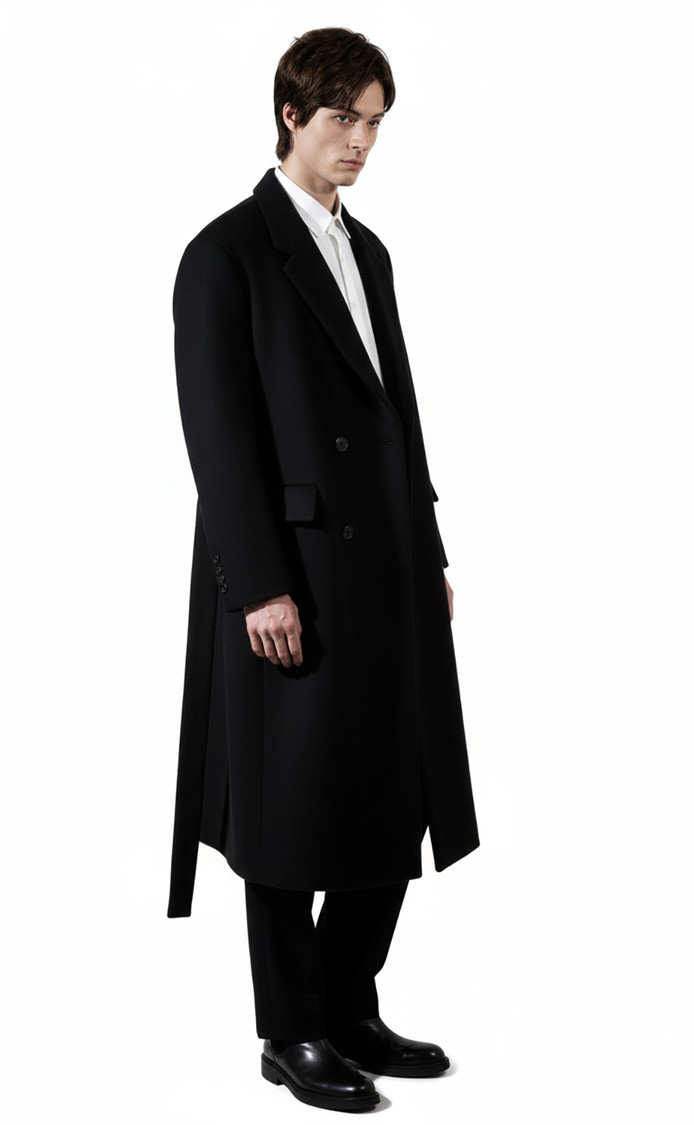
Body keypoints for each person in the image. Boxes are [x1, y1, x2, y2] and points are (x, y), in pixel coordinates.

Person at [167, 27, 480, 1113]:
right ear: (291, 114)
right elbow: (218, 438)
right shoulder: (225, 255)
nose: (362, 140)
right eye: (344, 116)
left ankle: (350, 1005)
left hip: (386, 568)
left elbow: (399, 416)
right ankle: (290, 1029)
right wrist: (259, 583)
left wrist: (428, 552)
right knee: (287, 809)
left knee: (393, 789)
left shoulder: (370, 251)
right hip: (292, 574)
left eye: (376, 121)